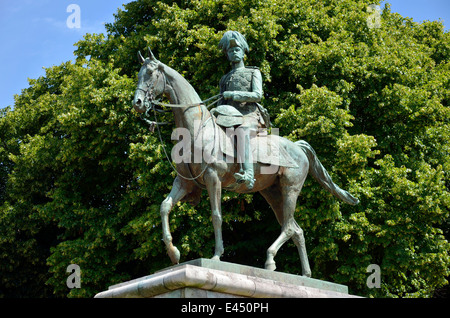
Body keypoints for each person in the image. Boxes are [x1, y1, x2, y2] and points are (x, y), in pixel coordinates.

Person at [213, 31, 269, 190]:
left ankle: (249, 173)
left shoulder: (253, 72)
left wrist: (234, 95)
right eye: (230, 51)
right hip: (228, 116)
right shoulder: (224, 78)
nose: (234, 52)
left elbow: (258, 95)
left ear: (243, 52)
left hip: (248, 115)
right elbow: (220, 101)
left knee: (241, 131)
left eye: (237, 49)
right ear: (227, 55)